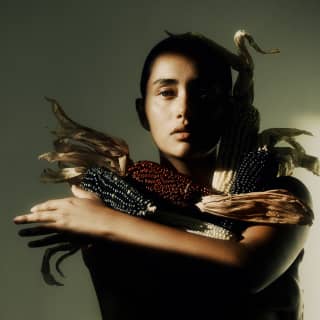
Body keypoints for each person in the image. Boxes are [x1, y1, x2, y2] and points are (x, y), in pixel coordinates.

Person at [14, 31, 316, 319]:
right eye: (166, 92)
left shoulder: (277, 196)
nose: (184, 108)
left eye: (203, 93)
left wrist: (105, 223)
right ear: (142, 112)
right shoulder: (109, 199)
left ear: (229, 110)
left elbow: (245, 272)